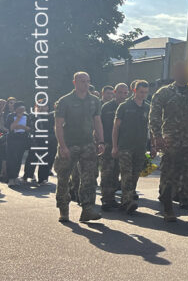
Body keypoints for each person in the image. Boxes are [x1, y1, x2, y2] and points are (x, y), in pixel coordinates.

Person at [150, 63, 188, 223]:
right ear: (175, 73)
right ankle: (168, 208)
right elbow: (154, 115)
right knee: (169, 175)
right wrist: (157, 136)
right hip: (171, 142)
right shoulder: (163, 93)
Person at [53, 72, 105, 223]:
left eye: (87, 81)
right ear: (74, 82)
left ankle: (87, 209)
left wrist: (101, 141)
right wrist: (62, 146)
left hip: (88, 144)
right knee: (63, 177)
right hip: (69, 144)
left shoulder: (94, 101)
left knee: (89, 178)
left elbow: (97, 122)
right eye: (82, 81)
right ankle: (64, 209)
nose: (85, 84)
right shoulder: (65, 101)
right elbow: (58, 125)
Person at [111, 80, 154, 214]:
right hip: (125, 147)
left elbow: (151, 128)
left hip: (140, 147)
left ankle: (127, 200)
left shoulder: (148, 107)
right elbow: (116, 128)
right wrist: (114, 146)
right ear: (135, 91)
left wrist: (153, 146)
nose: (143, 95)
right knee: (126, 175)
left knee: (135, 175)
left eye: (146, 92)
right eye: (141, 92)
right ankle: (127, 201)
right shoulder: (124, 106)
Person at [99, 83, 129, 210]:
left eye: (125, 93)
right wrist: (100, 142)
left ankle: (113, 198)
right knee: (107, 172)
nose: (122, 95)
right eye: (120, 92)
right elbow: (99, 124)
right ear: (115, 92)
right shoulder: (106, 107)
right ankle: (106, 199)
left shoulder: (128, 106)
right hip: (108, 143)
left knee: (116, 172)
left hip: (123, 144)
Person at [23, 101, 55, 185]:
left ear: (48, 107)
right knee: (31, 159)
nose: (42, 108)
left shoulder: (51, 116)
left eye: (44, 106)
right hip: (35, 140)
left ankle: (42, 179)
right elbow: (29, 127)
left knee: (45, 160)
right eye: (40, 106)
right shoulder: (32, 115)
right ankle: (26, 176)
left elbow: (53, 128)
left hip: (47, 140)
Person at [6, 102, 31, 187]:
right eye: (20, 109)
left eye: (23, 109)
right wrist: (18, 119)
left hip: (22, 140)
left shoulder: (27, 116)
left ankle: (16, 176)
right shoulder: (10, 116)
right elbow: (11, 128)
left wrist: (22, 127)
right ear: (16, 109)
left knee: (19, 159)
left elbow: (29, 128)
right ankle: (10, 178)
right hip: (12, 140)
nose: (22, 111)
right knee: (11, 159)